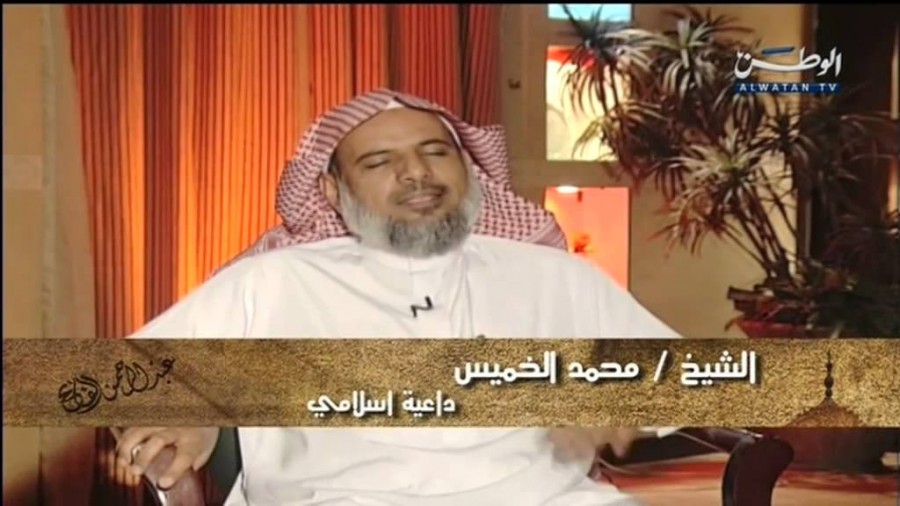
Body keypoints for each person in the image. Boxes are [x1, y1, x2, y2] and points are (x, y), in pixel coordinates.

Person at [118, 89, 680, 506]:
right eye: (379, 162)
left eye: (436, 152)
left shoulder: (553, 276)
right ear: (332, 191)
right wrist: (191, 415)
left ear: (469, 171)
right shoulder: (275, 281)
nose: (416, 172)